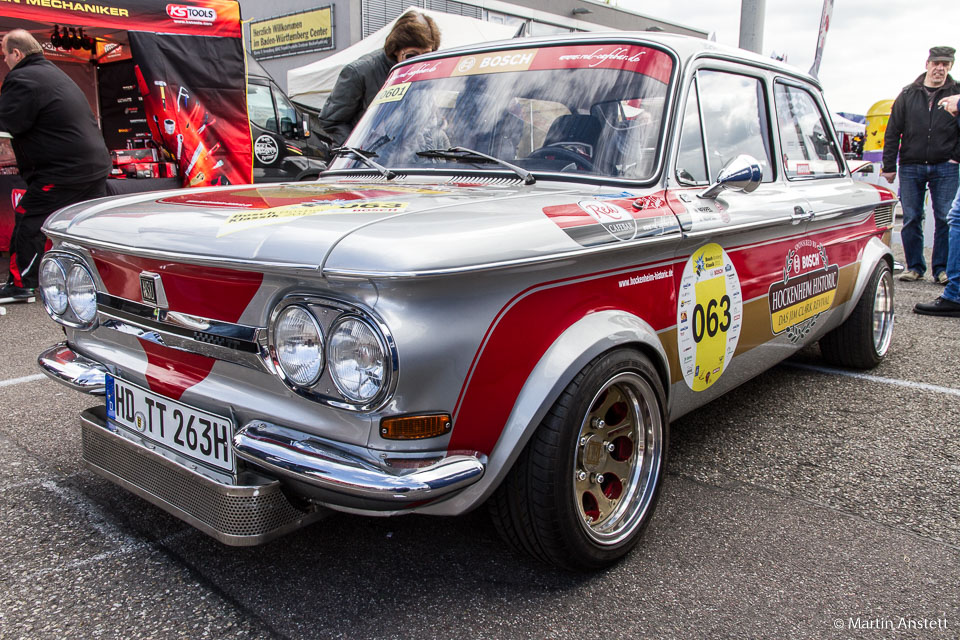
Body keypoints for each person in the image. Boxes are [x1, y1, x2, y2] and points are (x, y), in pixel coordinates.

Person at [0, 29, 110, 301]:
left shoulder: (22, 78)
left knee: (30, 217)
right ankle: (100, 283)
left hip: (63, 170)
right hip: (92, 165)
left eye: (4, 56)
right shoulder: (54, 72)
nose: (5, 62)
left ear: (17, 53)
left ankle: (22, 284)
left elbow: (7, 124)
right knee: (81, 226)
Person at [881, 46, 960, 284]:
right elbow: (893, 130)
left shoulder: (957, 93)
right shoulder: (908, 93)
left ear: (950, 66)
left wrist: (956, 155)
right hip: (911, 163)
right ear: (927, 64)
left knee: (945, 218)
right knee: (912, 217)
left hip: (946, 165)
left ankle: (942, 269)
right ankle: (914, 266)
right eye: (936, 63)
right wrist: (888, 165)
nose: (940, 68)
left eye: (945, 64)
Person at [318, 11, 441, 146]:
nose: (418, 63)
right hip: (370, 162)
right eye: (411, 56)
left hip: (409, 159)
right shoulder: (360, 72)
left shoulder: (426, 73)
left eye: (426, 56)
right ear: (395, 49)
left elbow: (429, 124)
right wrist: (359, 150)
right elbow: (331, 120)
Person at [915, 92, 960, 317]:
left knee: (955, 218)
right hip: (918, 160)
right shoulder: (911, 93)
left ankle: (955, 293)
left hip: (944, 161)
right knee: (954, 217)